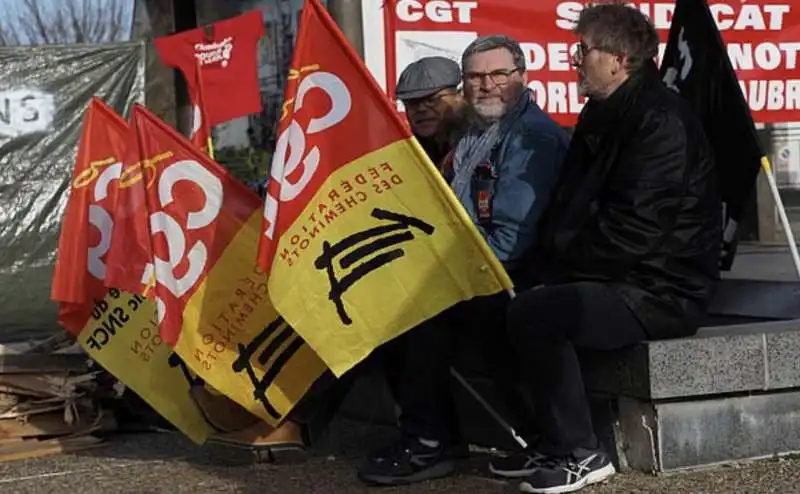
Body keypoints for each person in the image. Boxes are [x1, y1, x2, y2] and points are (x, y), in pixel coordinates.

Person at [490, 5, 721, 493]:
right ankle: (546, 441)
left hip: (659, 289)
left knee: (538, 312)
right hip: (616, 275)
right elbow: (568, 206)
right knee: (498, 299)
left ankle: (582, 453)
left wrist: (555, 273)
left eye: (583, 50)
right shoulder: (601, 112)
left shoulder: (661, 122)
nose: (574, 60)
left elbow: (634, 233)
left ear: (618, 59)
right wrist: (532, 268)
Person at [357, 35, 569, 486]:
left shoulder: (529, 135)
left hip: (520, 275)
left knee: (418, 312)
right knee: (382, 300)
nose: (486, 85)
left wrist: (438, 278)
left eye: (497, 75)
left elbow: (511, 240)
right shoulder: (478, 134)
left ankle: (431, 443)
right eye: (476, 76)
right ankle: (426, 436)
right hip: (480, 266)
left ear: (522, 78)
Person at [251, 56, 474, 451]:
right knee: (338, 297)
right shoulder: (409, 150)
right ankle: (287, 413)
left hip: (467, 274)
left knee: (376, 314)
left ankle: (310, 423)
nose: (420, 109)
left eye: (432, 99)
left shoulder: (475, 143)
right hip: (417, 268)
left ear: (461, 96)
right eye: (410, 102)